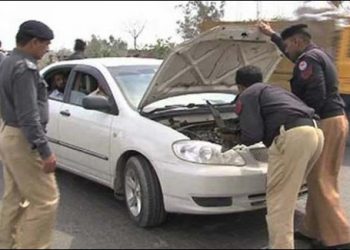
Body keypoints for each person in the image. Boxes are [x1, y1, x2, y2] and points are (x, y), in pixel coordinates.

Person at [258, 22, 350, 249]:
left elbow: (315, 94)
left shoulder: (307, 60)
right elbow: (298, 62)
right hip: (336, 119)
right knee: (322, 177)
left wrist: (299, 115)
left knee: (320, 180)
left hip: (325, 121)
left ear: (298, 42)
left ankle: (340, 237)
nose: (286, 50)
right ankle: (312, 228)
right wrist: (273, 36)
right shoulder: (317, 55)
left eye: (288, 46)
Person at [223, 65, 323, 249]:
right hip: (315, 132)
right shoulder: (274, 90)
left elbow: (252, 135)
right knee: (289, 194)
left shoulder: (248, 94)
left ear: (239, 86)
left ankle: (280, 246)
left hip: (292, 137)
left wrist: (232, 138)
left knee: (279, 199)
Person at [0, 20, 59, 249]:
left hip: (9, 132)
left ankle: (6, 243)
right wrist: (45, 152)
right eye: (45, 44)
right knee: (46, 200)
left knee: (15, 197)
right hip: (23, 139)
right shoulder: (25, 67)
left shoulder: (7, 62)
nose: (47, 49)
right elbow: (28, 116)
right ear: (34, 42)